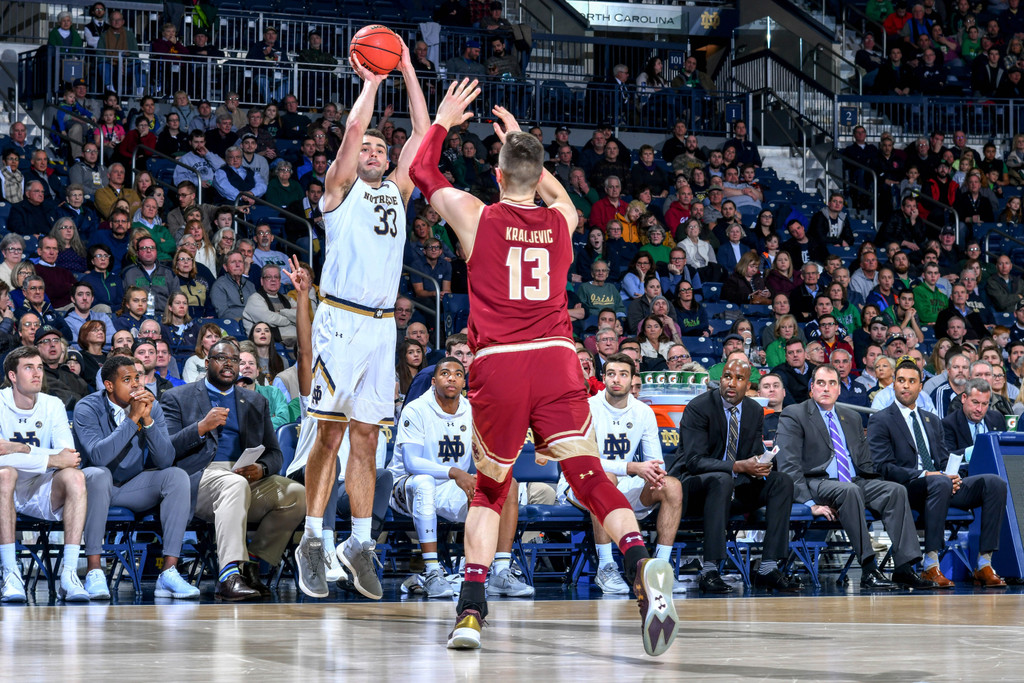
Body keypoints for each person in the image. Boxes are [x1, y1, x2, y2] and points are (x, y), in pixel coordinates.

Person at [410, 83, 679, 654]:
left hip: (501, 363)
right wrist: (523, 144)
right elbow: (566, 200)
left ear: (499, 175)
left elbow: (422, 172)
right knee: (591, 479)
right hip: (558, 360)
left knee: (488, 490)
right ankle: (640, 563)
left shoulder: (476, 214)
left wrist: (444, 120)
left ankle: (470, 612)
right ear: (535, 174)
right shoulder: (561, 221)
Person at [292, 44, 429, 601]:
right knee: (329, 432)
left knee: (369, 437)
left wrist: (408, 68)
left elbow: (422, 134)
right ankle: (312, 537)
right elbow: (351, 129)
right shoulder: (337, 193)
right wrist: (372, 81)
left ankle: (361, 543)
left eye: (380, 145)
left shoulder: (399, 192)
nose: (373, 148)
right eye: (366, 146)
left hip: (380, 328)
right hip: (340, 322)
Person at [162, 338, 305, 601]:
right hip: (199, 478)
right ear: (207, 363)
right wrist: (201, 427)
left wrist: (261, 469)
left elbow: (275, 453)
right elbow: (166, 450)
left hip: (244, 475)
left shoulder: (254, 401)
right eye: (221, 358)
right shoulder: (177, 397)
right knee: (233, 484)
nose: (229, 364)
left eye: (234, 359)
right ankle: (228, 577)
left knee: (296, 493)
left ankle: (252, 564)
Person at [776, 364, 931, 591]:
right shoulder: (795, 414)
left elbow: (865, 463)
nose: (826, 388)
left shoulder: (851, 417)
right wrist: (809, 504)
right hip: (818, 482)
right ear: (811, 388)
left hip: (854, 481)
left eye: (832, 384)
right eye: (821, 383)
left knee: (895, 491)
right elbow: (788, 465)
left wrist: (878, 483)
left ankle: (904, 569)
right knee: (850, 491)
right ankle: (868, 569)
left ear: (839, 390)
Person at [870, 364, 1008, 588]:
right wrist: (927, 473)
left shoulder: (931, 420)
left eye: (912, 381)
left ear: (920, 386)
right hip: (907, 487)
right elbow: (883, 467)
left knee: (994, 483)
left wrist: (953, 476)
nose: (906, 385)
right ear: (893, 384)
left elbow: (944, 461)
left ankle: (984, 563)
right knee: (938, 481)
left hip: (940, 484)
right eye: (901, 380)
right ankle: (930, 565)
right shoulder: (881, 419)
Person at [73, 355, 199, 599]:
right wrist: (132, 418)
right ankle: (94, 571)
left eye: (137, 378)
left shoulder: (150, 406)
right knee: (99, 475)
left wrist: (148, 420)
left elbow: (165, 460)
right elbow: (99, 457)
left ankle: (169, 572)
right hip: (93, 487)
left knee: (176, 477)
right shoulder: (87, 407)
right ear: (109, 385)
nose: (135, 385)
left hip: (130, 487)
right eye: (127, 379)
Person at [674, 357, 797, 593]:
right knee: (721, 479)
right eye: (727, 377)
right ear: (719, 380)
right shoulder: (699, 407)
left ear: (748, 385)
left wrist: (761, 464)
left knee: (781, 482)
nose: (731, 383)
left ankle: (768, 568)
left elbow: (752, 453)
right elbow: (694, 461)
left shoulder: (753, 410)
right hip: (694, 488)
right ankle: (709, 570)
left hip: (734, 486)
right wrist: (739, 466)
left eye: (739, 378)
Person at [0, 346, 107, 602]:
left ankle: (69, 575)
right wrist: (49, 458)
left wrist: (19, 448)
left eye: (39, 367)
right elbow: (55, 457)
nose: (37, 373)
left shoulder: (53, 404)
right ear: (13, 376)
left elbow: (68, 457)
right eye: (29, 368)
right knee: (5, 474)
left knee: (75, 476)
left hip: (41, 489)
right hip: (5, 490)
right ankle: (10, 572)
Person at [209, 251, 256, 320]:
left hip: (253, 324)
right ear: (225, 267)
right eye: (233, 262)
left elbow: (257, 308)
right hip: (232, 324)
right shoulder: (219, 285)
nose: (237, 265)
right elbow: (223, 314)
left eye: (240, 261)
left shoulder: (250, 285)